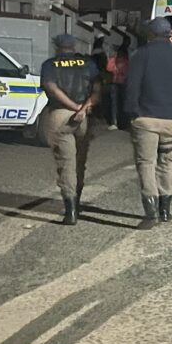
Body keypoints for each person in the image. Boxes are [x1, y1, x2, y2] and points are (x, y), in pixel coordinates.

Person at [124, 17, 172, 230]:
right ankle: (166, 210)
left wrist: (131, 112)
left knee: (146, 162)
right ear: (169, 34)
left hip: (147, 119)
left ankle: (151, 212)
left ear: (150, 34)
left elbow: (132, 87)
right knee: (167, 163)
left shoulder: (140, 55)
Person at [40, 34, 101, 225]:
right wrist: (83, 108)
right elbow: (97, 90)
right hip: (84, 116)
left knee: (66, 163)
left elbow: (52, 89)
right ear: (73, 46)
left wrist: (73, 107)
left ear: (57, 47)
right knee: (79, 161)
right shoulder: (88, 64)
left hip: (60, 115)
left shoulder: (50, 65)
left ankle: (71, 211)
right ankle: (78, 201)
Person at [106, 41, 129, 130]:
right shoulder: (126, 62)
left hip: (115, 82)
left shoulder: (113, 60)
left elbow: (109, 68)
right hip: (123, 83)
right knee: (123, 102)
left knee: (114, 103)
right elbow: (127, 72)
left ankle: (114, 122)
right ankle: (124, 123)